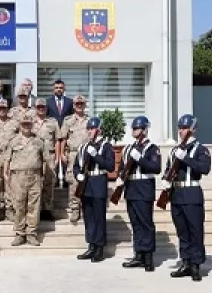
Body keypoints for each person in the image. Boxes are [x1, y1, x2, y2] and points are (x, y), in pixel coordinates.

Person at [164, 113, 211, 282]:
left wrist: (187, 159)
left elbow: (204, 168)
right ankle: (185, 262)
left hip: (192, 193)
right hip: (176, 194)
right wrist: (166, 180)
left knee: (195, 231)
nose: (181, 131)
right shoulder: (174, 150)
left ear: (193, 129)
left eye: (184, 128)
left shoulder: (200, 149)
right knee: (182, 231)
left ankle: (196, 265)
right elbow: (169, 169)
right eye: (180, 127)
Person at [117, 115, 161, 271]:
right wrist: (120, 177)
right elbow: (122, 167)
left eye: (137, 128)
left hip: (144, 189)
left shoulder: (152, 148)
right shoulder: (128, 148)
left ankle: (148, 257)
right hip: (131, 189)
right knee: (135, 223)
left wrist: (140, 159)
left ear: (145, 130)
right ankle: (138, 255)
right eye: (133, 128)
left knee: (146, 223)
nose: (134, 130)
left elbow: (156, 168)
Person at [73, 116, 115, 262]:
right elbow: (76, 166)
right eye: (88, 128)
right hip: (86, 183)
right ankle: (91, 245)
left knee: (99, 217)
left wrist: (96, 155)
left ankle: (99, 248)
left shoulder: (106, 146)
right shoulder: (83, 147)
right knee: (88, 217)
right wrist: (78, 175)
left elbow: (110, 166)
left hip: (98, 182)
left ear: (99, 130)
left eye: (92, 128)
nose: (90, 131)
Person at [4, 115, 50, 246]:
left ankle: (31, 233)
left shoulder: (39, 141)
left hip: (34, 176)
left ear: (32, 125)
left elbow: (45, 160)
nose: (26, 126)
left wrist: (43, 175)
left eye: (28, 124)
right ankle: (20, 233)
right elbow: (7, 158)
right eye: (24, 124)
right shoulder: (13, 141)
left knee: (33, 206)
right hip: (18, 177)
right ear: (20, 125)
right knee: (19, 205)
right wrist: (6, 174)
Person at [59, 95, 89, 222]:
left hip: (87, 154)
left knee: (88, 181)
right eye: (77, 103)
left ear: (85, 105)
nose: (79, 105)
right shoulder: (68, 120)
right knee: (73, 182)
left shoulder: (90, 120)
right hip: (73, 154)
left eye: (81, 103)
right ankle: (75, 208)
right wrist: (61, 154)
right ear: (73, 105)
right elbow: (63, 139)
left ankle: (86, 207)